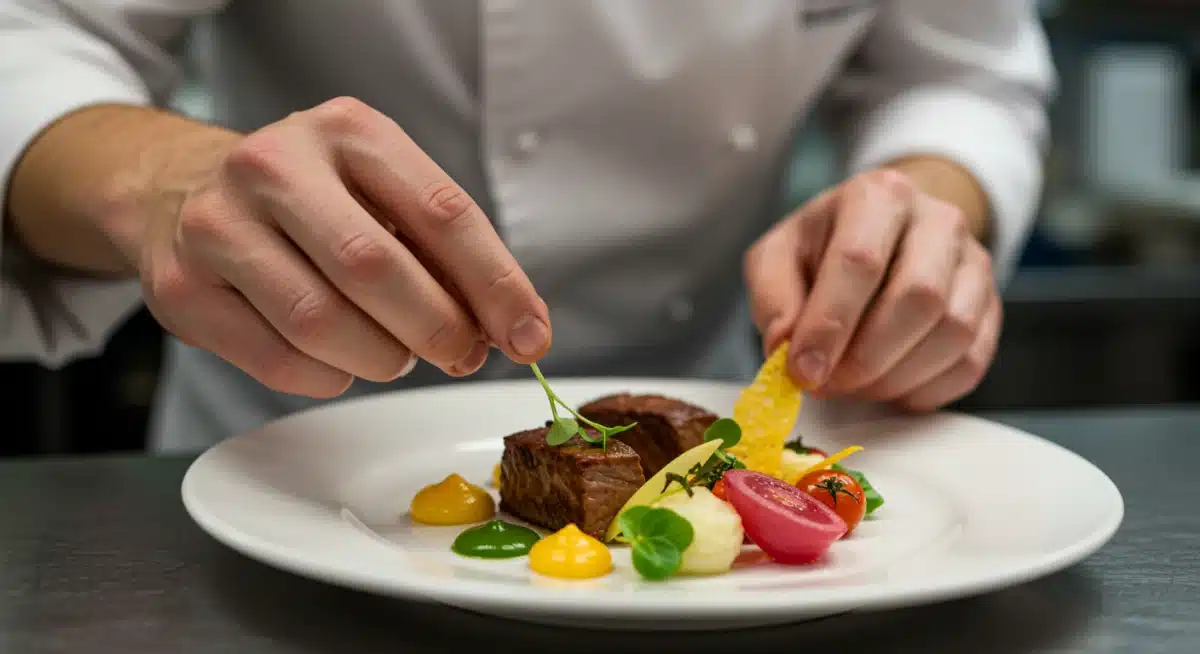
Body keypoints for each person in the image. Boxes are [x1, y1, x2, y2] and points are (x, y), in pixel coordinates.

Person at [0, 1, 1055, 453]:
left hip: (721, 413)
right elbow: (37, 30)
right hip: (284, 438)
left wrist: (920, 207)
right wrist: (163, 179)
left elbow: (957, 72)